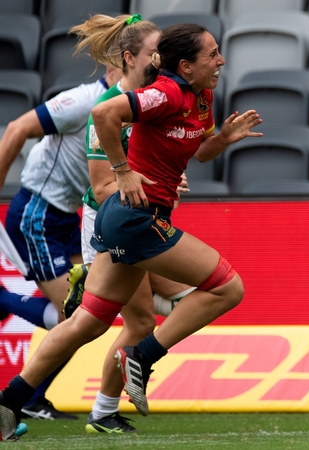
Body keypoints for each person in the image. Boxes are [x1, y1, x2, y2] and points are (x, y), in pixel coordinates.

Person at [0, 23, 262, 441]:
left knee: (88, 322)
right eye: (212, 54)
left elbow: (197, 150)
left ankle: (8, 403)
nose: (221, 60)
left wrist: (224, 140)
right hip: (133, 220)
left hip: (129, 220)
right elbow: (103, 116)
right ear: (185, 65)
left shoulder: (200, 97)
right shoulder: (164, 94)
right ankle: (140, 359)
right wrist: (123, 171)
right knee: (227, 288)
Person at [68, 13, 197, 434]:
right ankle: (101, 411)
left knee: (192, 298)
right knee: (139, 324)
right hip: (109, 225)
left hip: (140, 221)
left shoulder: (154, 100)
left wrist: (168, 180)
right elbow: (102, 187)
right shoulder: (108, 108)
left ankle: (89, 282)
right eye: (154, 53)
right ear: (129, 58)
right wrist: (134, 177)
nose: (161, 61)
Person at [0, 49, 123, 421]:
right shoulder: (84, 100)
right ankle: (4, 300)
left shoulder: (125, 106)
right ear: (119, 64)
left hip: (67, 216)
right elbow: (16, 129)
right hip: (38, 212)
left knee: (89, 314)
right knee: (78, 314)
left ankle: (33, 399)